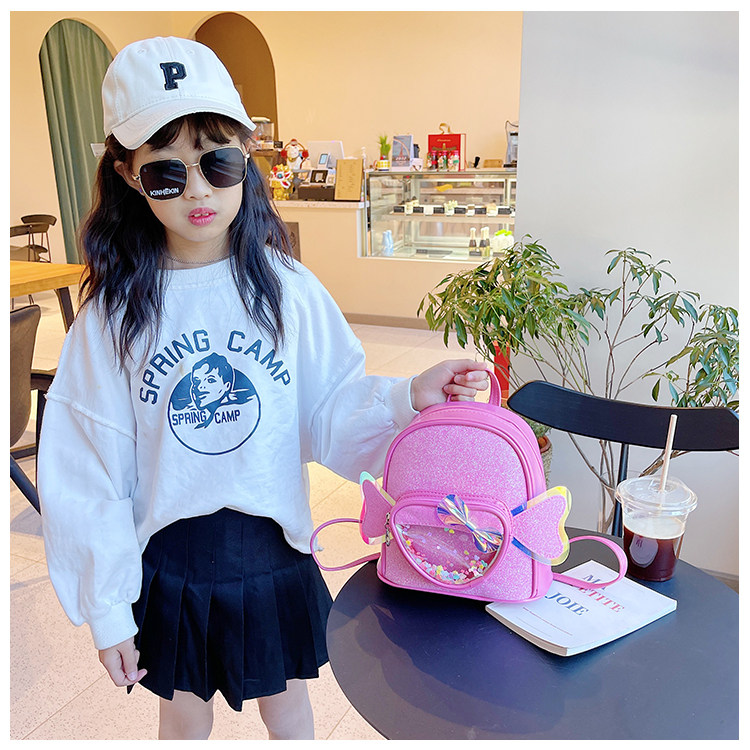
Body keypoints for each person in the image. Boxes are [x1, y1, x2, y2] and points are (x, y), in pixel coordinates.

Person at [37, 36, 490, 741]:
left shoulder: (286, 289)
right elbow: (88, 471)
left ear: (247, 159)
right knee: (183, 719)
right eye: (166, 172)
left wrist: (408, 397)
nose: (198, 190)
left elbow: (328, 409)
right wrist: (107, 607)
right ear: (127, 175)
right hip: (171, 560)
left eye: (218, 162)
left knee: (290, 711)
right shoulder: (113, 317)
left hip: (272, 549)